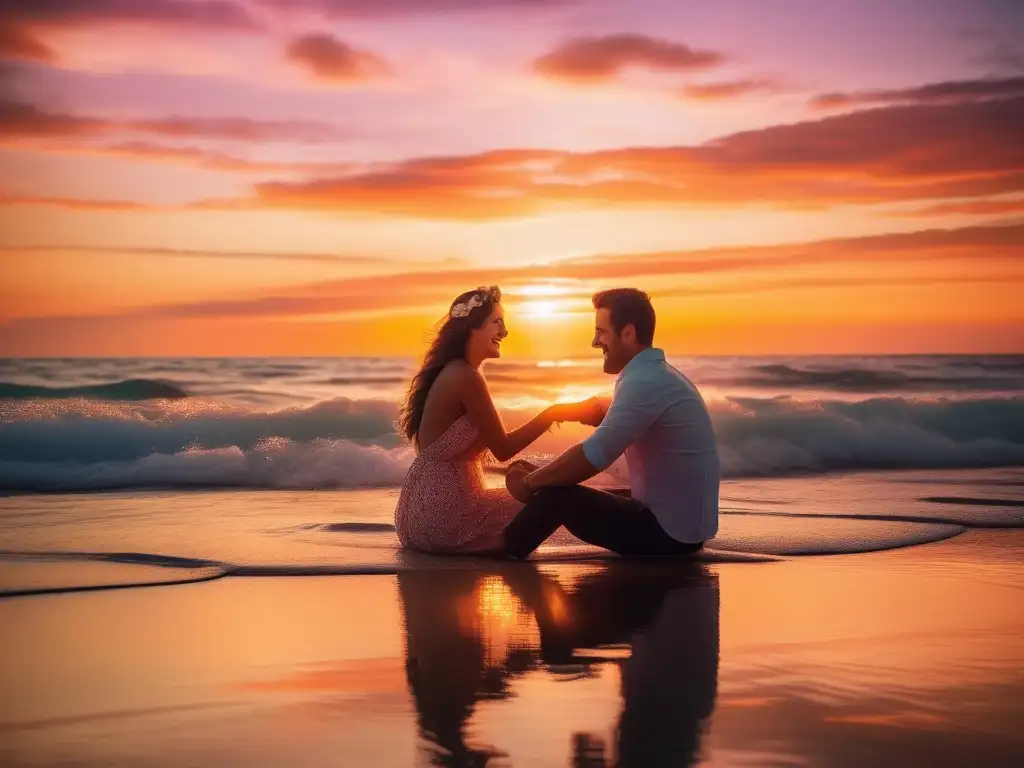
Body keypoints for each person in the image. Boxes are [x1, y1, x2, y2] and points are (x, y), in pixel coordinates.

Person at [504, 288, 719, 559]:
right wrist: (556, 412)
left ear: (627, 333)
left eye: (601, 332)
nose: (595, 342)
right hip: (684, 528)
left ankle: (502, 548)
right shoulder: (661, 376)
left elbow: (596, 454)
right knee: (561, 482)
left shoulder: (644, 382)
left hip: (668, 536)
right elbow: (606, 413)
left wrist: (529, 483)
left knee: (557, 496)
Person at [394, 285, 595, 554]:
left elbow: (457, 455)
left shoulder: (453, 371)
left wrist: (524, 472)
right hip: (445, 517)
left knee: (539, 494)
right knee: (552, 499)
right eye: (497, 322)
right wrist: (553, 413)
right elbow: (503, 449)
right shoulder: (466, 376)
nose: (504, 332)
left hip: (418, 515)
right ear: (472, 328)